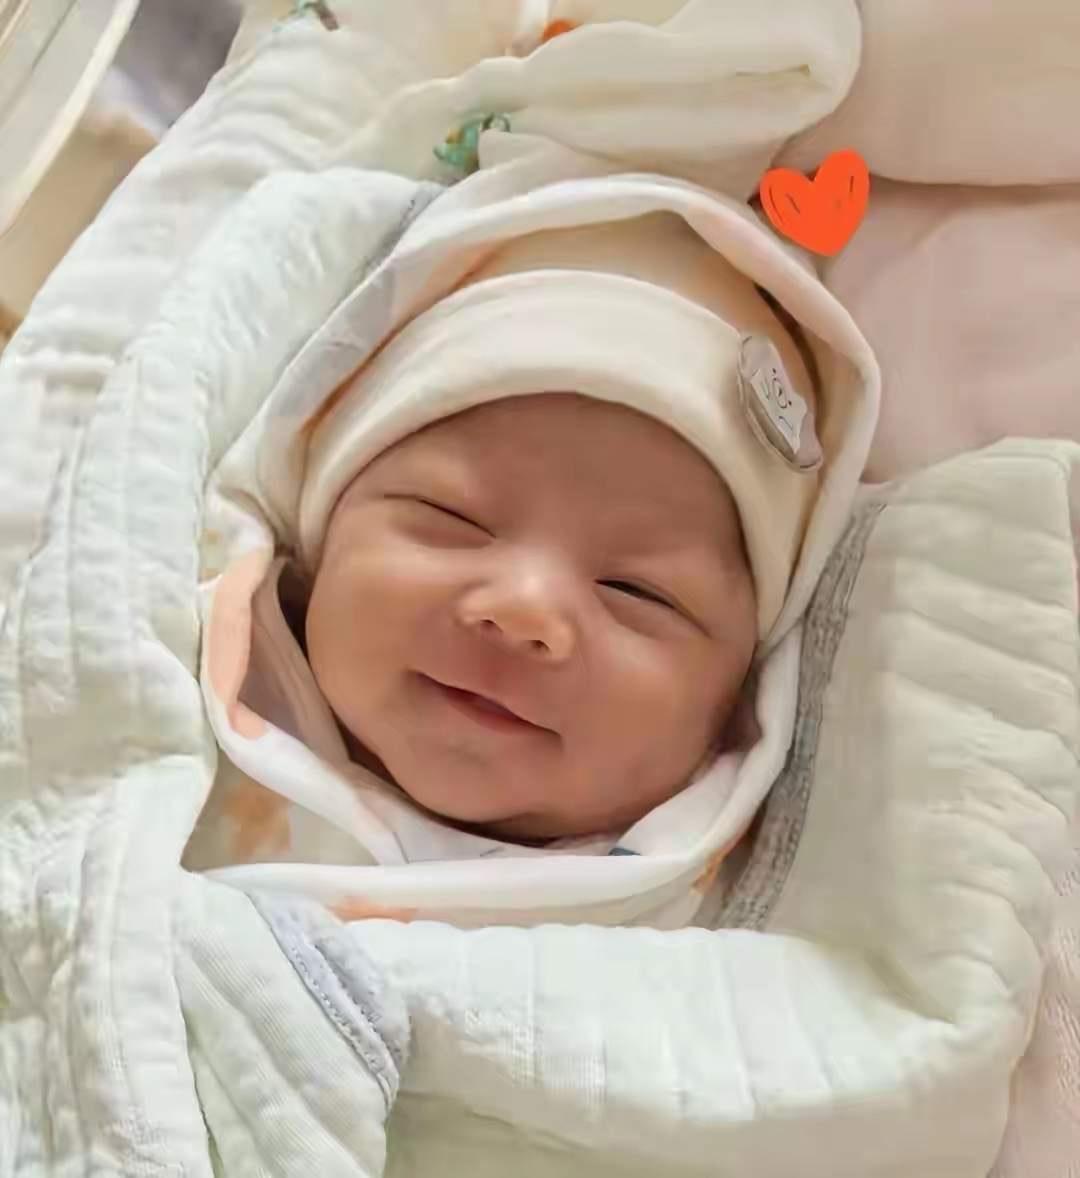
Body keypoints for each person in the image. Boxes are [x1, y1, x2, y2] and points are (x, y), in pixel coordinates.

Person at [186, 208, 828, 878]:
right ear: (323, 538)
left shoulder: (728, 923)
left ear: (732, 707)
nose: (524, 607)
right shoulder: (175, 668)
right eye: (452, 518)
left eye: (636, 592)